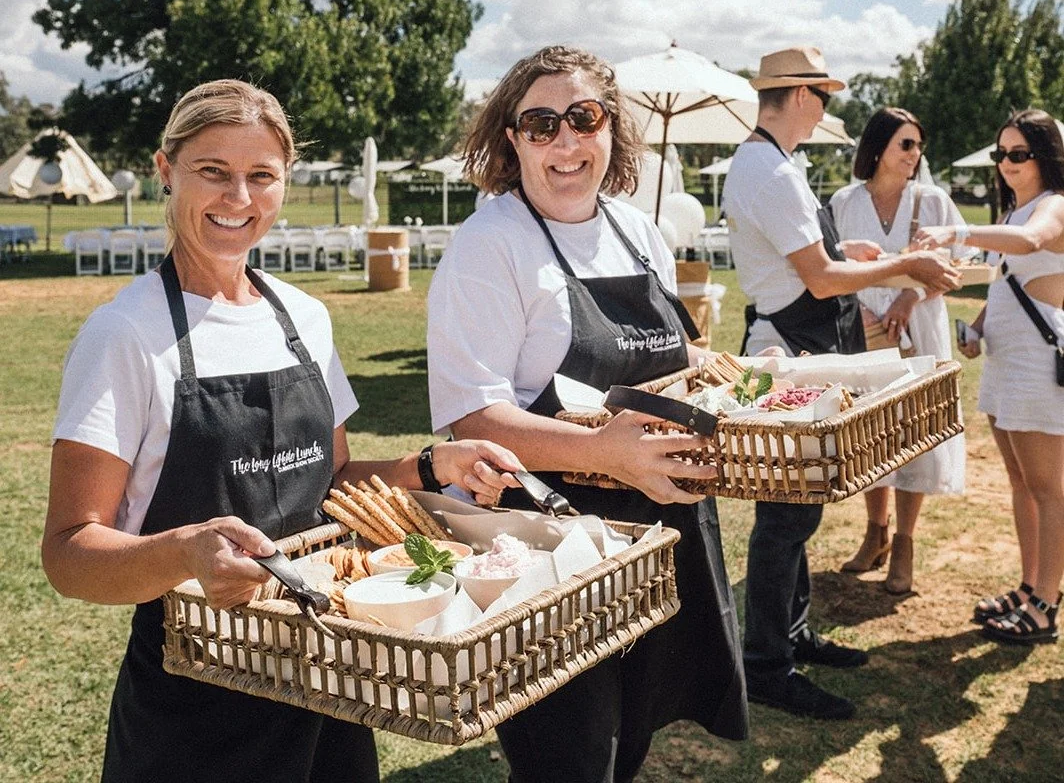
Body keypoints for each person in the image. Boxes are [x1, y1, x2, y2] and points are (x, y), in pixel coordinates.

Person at [41, 80, 522, 783]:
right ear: (165, 170)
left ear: (283, 184)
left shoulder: (302, 317)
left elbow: (329, 486)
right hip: (196, 702)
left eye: (260, 176)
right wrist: (187, 552)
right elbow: (69, 554)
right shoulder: (124, 334)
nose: (239, 198)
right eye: (214, 172)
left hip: (332, 682)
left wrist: (431, 463)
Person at [427, 45, 746, 783]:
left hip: (665, 532)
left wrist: (729, 379)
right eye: (540, 124)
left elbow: (674, 364)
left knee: (631, 739)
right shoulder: (488, 246)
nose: (565, 142)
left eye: (583, 117)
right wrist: (607, 451)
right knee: (566, 760)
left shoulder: (639, 231)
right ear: (512, 139)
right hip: (553, 553)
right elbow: (472, 421)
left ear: (610, 129)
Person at [721, 46, 960, 720]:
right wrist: (906, 265)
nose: (828, 108)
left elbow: (813, 263)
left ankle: (792, 637)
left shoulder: (771, 162)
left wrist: (847, 252)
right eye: (824, 96)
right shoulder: (769, 170)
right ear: (800, 96)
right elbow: (821, 282)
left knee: (799, 507)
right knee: (785, 517)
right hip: (788, 348)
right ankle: (767, 664)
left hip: (800, 340)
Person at [913, 108, 1064, 644]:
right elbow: (1007, 282)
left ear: (1045, 156)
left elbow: (1029, 247)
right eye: (1001, 154)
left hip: (1037, 363)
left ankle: (1047, 603)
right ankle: (1029, 588)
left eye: (1018, 154)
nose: (1005, 163)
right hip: (1006, 360)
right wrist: (975, 328)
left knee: (1050, 489)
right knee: (1023, 484)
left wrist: (955, 229)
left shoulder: (1053, 207)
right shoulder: (1018, 210)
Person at [829, 108, 967, 594]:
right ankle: (875, 532)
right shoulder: (845, 201)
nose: (914, 154)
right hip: (862, 335)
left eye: (918, 146)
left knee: (917, 431)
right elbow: (829, 265)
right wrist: (859, 309)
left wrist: (911, 296)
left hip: (920, 333)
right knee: (872, 435)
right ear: (879, 147)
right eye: (905, 144)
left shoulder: (932, 201)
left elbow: (957, 265)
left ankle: (904, 543)